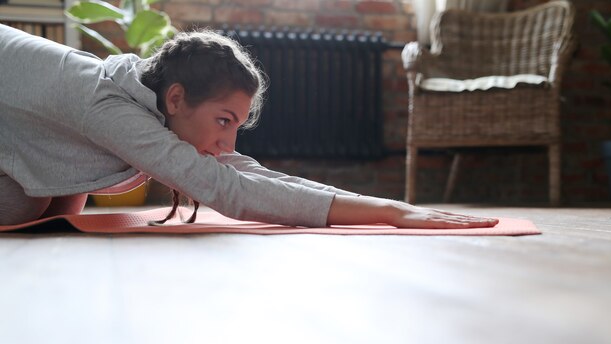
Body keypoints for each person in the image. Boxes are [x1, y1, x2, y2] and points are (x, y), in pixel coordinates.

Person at [0, 24, 498, 229]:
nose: (228, 139)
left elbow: (245, 170)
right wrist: (391, 215)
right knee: (29, 206)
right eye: (223, 120)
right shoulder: (109, 107)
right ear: (177, 98)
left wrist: (394, 208)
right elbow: (228, 191)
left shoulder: (148, 98)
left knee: (44, 207)